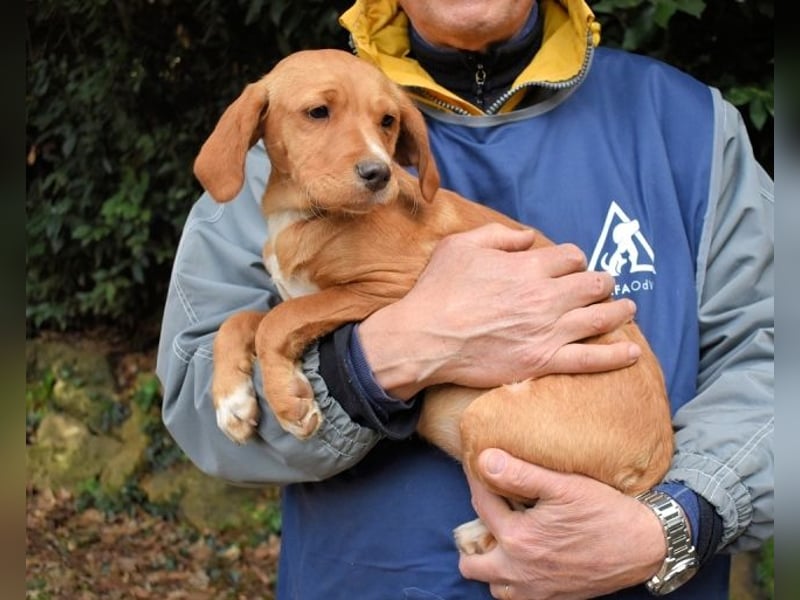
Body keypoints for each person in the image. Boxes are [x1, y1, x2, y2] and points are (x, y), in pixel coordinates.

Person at [156, 0, 774, 598]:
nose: (359, 139)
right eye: (321, 113)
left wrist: (671, 523)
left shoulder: (686, 124)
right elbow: (200, 412)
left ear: (403, 139)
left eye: (384, 124)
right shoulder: (281, 140)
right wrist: (383, 359)